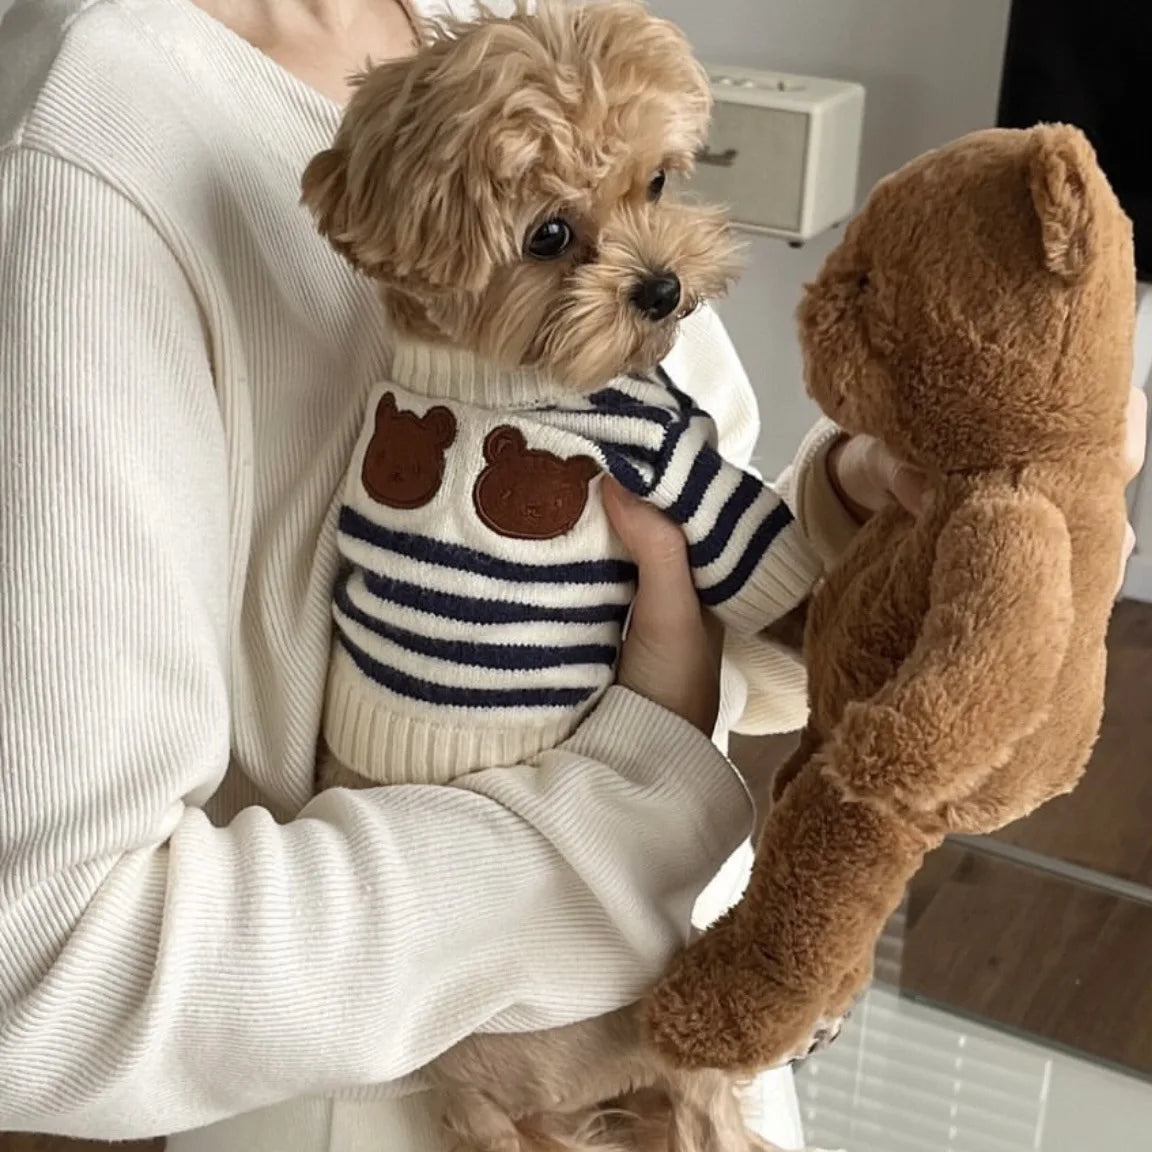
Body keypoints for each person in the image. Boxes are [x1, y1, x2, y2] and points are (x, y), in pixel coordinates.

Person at [0, 1, 1143, 1151]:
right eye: (554, 234)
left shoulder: (507, 32)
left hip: (694, 1034)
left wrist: (872, 510)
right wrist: (642, 787)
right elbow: (47, 979)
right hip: (398, 1108)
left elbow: (714, 617)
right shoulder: (86, 146)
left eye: (659, 186)